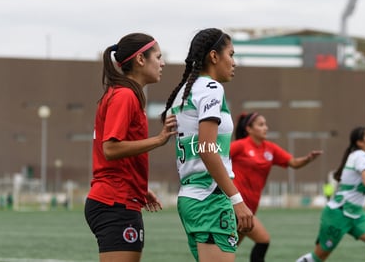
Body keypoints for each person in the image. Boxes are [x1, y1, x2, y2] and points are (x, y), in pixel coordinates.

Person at [161, 28, 254, 262]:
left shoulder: (183, 92)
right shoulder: (211, 88)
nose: (234, 62)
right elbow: (206, 147)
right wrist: (237, 200)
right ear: (214, 56)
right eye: (231, 55)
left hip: (192, 197)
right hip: (209, 197)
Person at [84, 33, 177, 262]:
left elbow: (116, 154)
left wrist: (140, 187)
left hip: (121, 198)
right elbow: (111, 149)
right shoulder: (124, 95)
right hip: (114, 202)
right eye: (158, 56)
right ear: (140, 60)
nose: (162, 62)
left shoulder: (125, 94)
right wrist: (160, 139)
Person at [231, 112, 323, 262]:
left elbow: (293, 163)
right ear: (249, 129)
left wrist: (308, 159)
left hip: (251, 207)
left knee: (228, 249)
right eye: (261, 125)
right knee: (263, 240)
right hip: (236, 205)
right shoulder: (240, 146)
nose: (265, 128)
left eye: (266, 124)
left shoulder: (270, 148)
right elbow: (217, 159)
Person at [296, 126, 365, 262]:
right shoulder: (362, 156)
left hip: (356, 215)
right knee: (318, 257)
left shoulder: (357, 156)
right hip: (338, 215)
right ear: (359, 142)